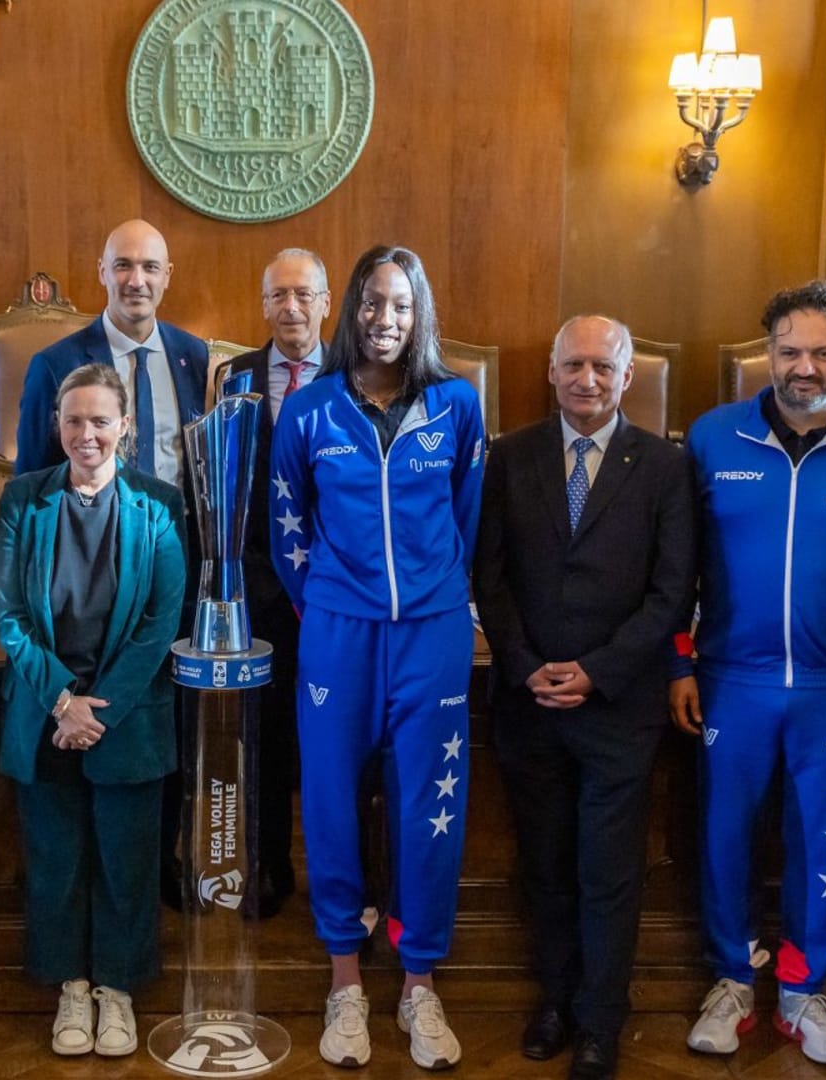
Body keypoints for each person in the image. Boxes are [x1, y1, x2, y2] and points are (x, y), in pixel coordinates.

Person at [671, 281, 826, 1067]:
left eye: (822, 352)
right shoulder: (713, 438)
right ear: (767, 354)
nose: (804, 367)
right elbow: (677, 569)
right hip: (730, 681)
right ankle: (732, 981)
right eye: (789, 351)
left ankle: (804, 994)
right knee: (724, 835)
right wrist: (680, 661)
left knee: (821, 844)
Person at [270, 244, 485, 1071]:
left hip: (432, 634)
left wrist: (434, 596)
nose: (383, 319)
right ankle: (346, 983)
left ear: (418, 312)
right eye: (370, 302)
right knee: (329, 801)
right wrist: (329, 603)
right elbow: (287, 528)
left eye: (399, 304)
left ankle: (420, 984)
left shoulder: (457, 405)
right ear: (350, 311)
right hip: (337, 633)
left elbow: (467, 517)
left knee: (431, 806)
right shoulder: (309, 411)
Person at [473, 315, 696, 1080]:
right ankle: (556, 1002)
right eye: (573, 364)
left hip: (617, 709)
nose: (587, 379)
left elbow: (673, 592)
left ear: (627, 377)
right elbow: (489, 576)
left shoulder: (664, 467)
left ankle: (601, 1020)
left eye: (603, 366)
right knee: (544, 867)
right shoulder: (510, 457)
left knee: (609, 873)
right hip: (528, 703)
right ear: (551, 371)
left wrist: (599, 670)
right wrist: (524, 663)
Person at [0, 363, 187, 1060]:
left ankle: (117, 990)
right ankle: (72, 987)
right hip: (45, 712)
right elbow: (9, 613)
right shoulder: (24, 498)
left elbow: (160, 622)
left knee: (126, 863)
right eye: (73, 420)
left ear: (124, 426)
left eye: (101, 420)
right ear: (57, 425)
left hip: (126, 715)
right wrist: (62, 701)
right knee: (55, 861)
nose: (87, 434)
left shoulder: (159, 504)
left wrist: (96, 709)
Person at [208, 246, 333, 918]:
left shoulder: (353, 376)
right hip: (258, 591)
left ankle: (337, 885)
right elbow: (222, 488)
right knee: (261, 741)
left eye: (303, 294)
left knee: (332, 742)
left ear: (326, 303)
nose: (290, 307)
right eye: (278, 295)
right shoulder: (232, 378)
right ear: (263, 305)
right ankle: (266, 870)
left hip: (338, 594)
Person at [12, 219, 209, 483]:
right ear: (102, 271)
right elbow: (30, 480)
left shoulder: (193, 355)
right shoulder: (54, 365)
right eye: (123, 265)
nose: (137, 281)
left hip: (177, 510)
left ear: (167, 275)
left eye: (150, 267)